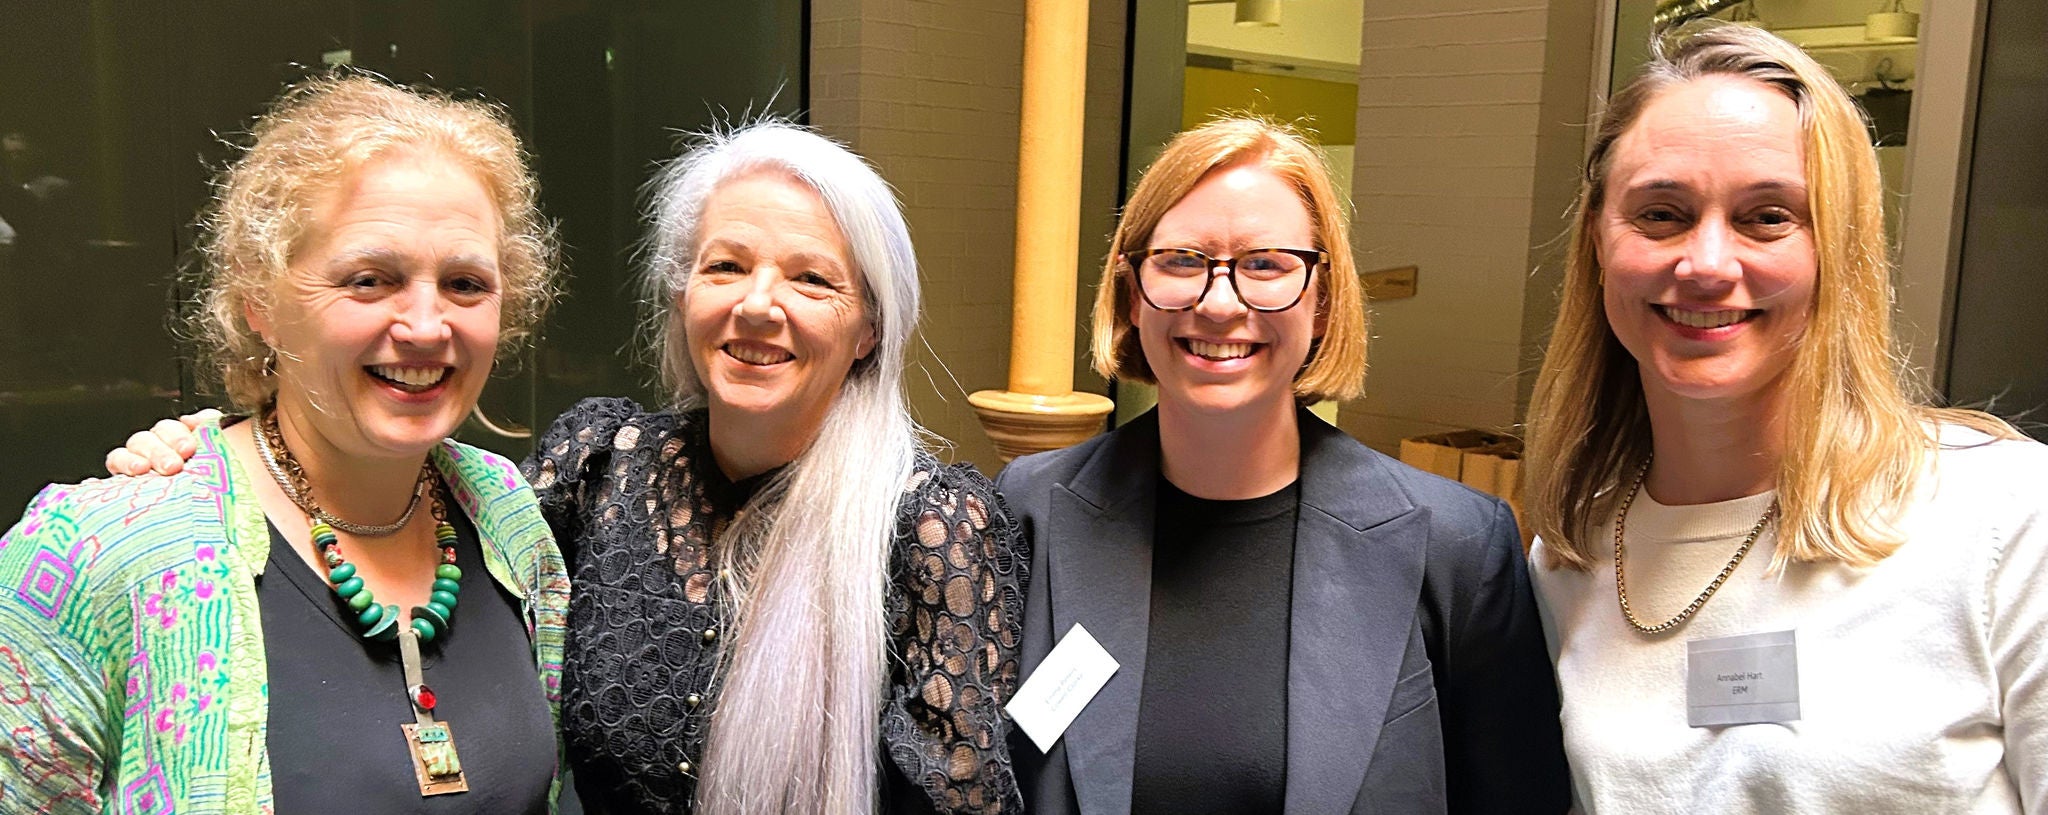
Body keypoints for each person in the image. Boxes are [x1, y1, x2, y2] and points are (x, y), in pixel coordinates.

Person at [105, 120, 1028, 815]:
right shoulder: (603, 466)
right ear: (681, 295)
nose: (758, 306)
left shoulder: (932, 528)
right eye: (726, 266)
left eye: (812, 279)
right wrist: (221, 447)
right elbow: (416, 502)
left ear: (869, 326)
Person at [1, 75, 570, 813]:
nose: (428, 326)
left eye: (465, 283)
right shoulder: (96, 555)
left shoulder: (507, 517)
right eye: (370, 279)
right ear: (260, 302)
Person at [1522, 21, 2047, 813]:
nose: (1705, 264)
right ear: (1599, 240)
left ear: (1838, 248)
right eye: (1660, 213)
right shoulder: (1569, 559)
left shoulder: (2004, 518)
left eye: (1767, 217)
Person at [998, 116, 1570, 814]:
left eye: (1265, 264)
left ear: (1323, 300)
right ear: (1130, 292)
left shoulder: (1455, 546)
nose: (1218, 302)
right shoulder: (1028, 510)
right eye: (1181, 260)